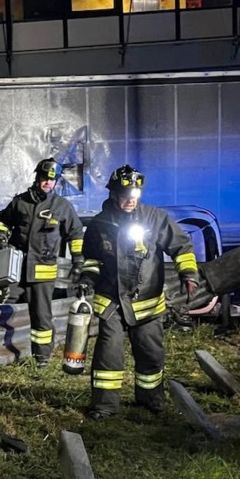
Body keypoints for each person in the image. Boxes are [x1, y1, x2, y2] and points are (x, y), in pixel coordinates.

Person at [79, 164, 198, 418]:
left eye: (135, 195)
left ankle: (151, 401)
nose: (131, 200)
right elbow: (91, 259)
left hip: (147, 303)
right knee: (108, 356)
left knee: (150, 354)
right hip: (111, 303)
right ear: (113, 194)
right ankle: (104, 406)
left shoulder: (155, 218)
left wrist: (188, 274)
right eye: (125, 196)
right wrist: (87, 279)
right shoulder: (99, 225)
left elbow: (181, 247)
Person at [0, 158, 84, 367]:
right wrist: (0, 239)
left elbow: (76, 234)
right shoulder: (20, 202)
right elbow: (4, 222)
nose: (48, 183)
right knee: (3, 304)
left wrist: (78, 260)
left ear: (56, 182)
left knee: (41, 318)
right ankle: (2, 354)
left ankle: (41, 359)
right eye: (45, 178)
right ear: (37, 177)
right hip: (16, 269)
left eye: (52, 180)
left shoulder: (62, 206)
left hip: (42, 273)